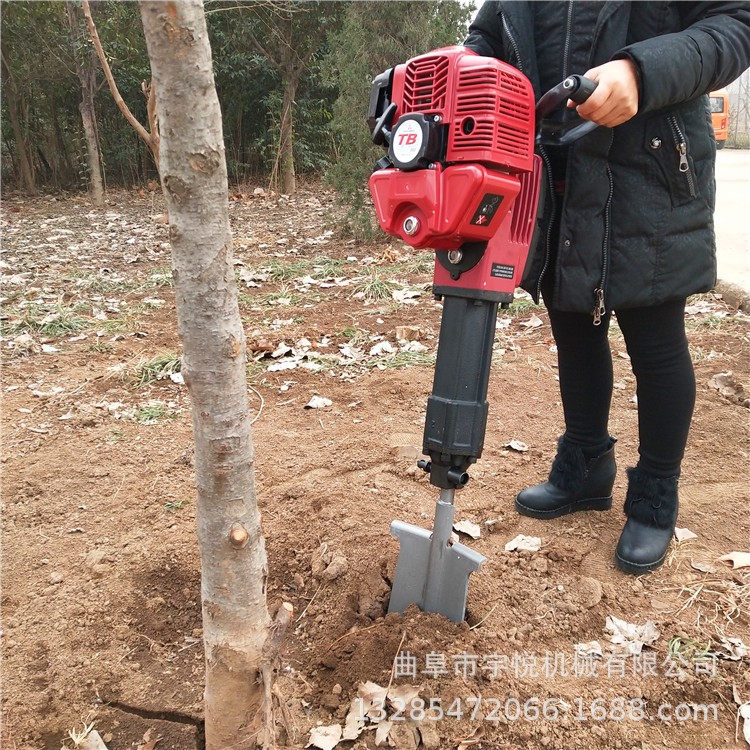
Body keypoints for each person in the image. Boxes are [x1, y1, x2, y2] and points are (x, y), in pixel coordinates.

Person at [463, 2, 750, 574]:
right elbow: (488, 36)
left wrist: (641, 71)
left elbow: (733, 25)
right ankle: (586, 465)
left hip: (649, 174)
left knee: (657, 343)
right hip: (551, 171)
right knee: (573, 330)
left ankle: (654, 495)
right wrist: (466, 71)